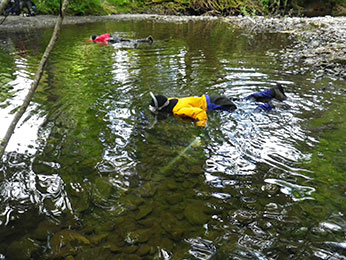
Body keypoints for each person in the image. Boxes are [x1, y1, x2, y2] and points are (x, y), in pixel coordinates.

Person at [149, 93, 237, 127]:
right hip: (210, 97)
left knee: (235, 109)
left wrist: (200, 126)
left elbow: (200, 112)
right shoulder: (172, 100)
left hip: (216, 104)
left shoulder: (179, 111)